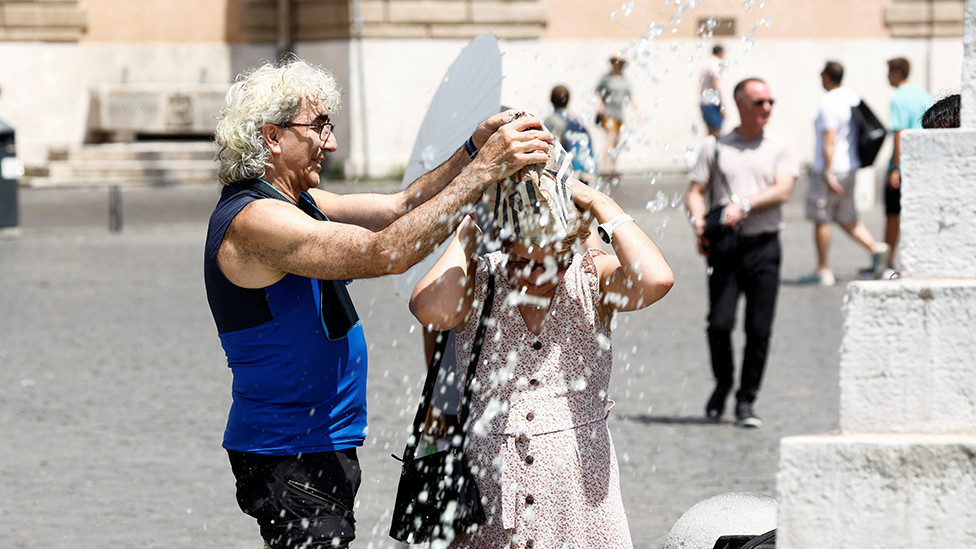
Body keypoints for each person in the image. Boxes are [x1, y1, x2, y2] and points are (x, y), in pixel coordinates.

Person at [203, 57, 552, 549]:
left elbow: (399, 207)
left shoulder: (297, 203)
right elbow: (384, 252)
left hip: (317, 443)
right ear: (272, 137)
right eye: (319, 126)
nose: (332, 143)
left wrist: (472, 151)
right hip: (288, 449)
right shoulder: (255, 220)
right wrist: (486, 171)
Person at [409, 152, 673, 547]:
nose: (528, 275)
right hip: (490, 494)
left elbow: (656, 280)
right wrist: (469, 227)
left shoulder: (589, 278)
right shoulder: (482, 277)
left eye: (544, 264)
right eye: (518, 260)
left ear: (567, 251)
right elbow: (429, 308)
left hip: (579, 496)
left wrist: (601, 203)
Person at [685, 78, 798, 428]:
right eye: (758, 102)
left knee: (759, 329)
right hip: (726, 247)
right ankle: (723, 382)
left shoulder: (781, 145)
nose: (766, 108)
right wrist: (699, 224)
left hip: (764, 245)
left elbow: (783, 190)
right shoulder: (714, 147)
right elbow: (694, 191)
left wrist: (744, 205)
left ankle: (746, 399)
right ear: (739, 104)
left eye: (770, 102)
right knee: (719, 324)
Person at [800, 61, 889, 286]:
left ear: (827, 77)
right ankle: (875, 248)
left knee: (822, 218)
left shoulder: (828, 102)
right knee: (846, 216)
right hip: (851, 166)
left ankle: (822, 270)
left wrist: (828, 173)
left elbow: (829, 140)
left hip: (831, 169)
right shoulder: (852, 96)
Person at [884, 57, 932, 272]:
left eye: (888, 72)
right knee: (919, 214)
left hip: (903, 165)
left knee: (893, 215)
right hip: (923, 163)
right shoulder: (923, 94)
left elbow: (900, 132)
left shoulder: (898, 97)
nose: (886, 77)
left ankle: (888, 263)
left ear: (896, 72)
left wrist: (895, 168)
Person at [595, 53, 639, 176]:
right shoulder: (606, 78)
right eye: (614, 62)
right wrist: (600, 105)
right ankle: (604, 166)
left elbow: (630, 95)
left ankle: (613, 167)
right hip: (608, 113)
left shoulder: (624, 80)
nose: (616, 64)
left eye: (618, 62)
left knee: (616, 141)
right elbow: (597, 92)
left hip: (619, 114)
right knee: (611, 137)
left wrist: (636, 111)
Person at [543, 84, 598, 182]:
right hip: (587, 171)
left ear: (551, 100)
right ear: (568, 100)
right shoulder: (577, 121)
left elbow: (552, 146)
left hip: (570, 175)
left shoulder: (552, 120)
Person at [700, 45, 726, 137]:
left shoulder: (706, 63)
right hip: (712, 102)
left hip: (704, 101)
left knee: (710, 132)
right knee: (717, 131)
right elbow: (716, 85)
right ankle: (715, 151)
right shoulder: (716, 63)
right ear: (720, 52)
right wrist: (721, 105)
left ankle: (708, 150)